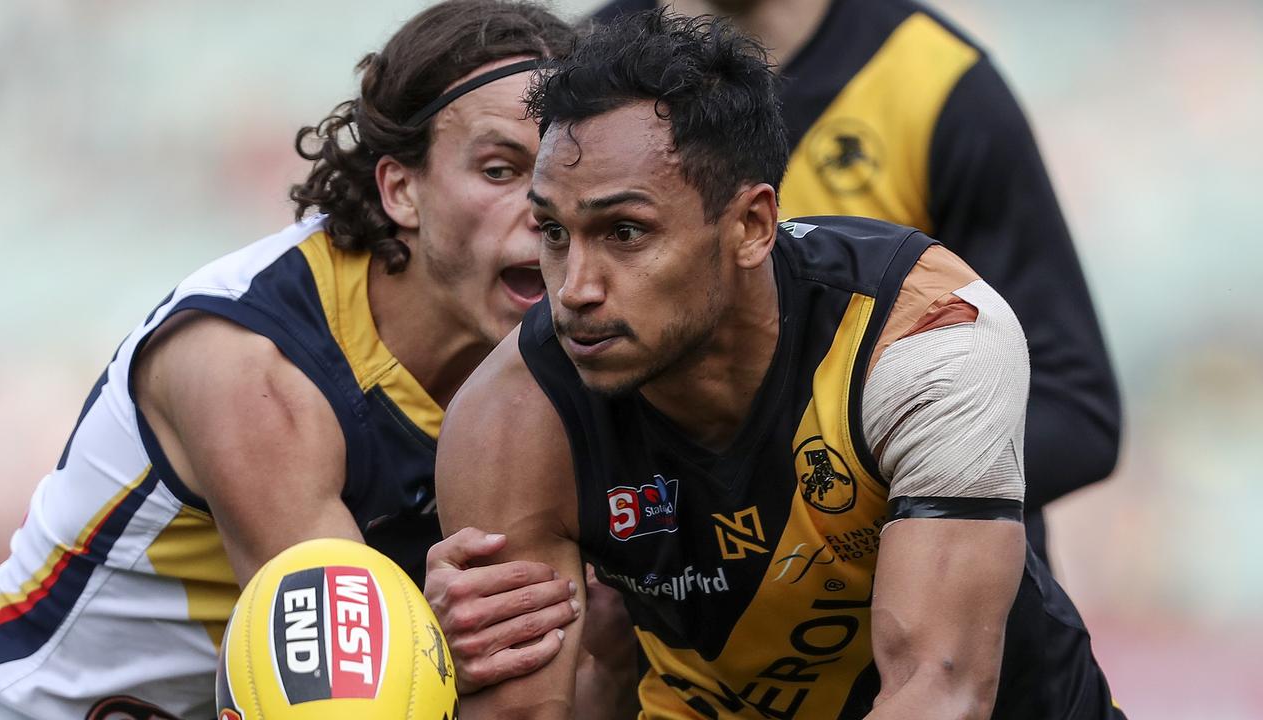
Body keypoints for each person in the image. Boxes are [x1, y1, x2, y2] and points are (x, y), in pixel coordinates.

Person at [436, 11, 1125, 718]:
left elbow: (937, 694)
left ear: (752, 227)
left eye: (625, 232)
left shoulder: (926, 331)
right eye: (554, 231)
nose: (574, 288)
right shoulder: (511, 412)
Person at [0, 3, 588, 717]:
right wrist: (433, 626)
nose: (542, 207)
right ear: (401, 189)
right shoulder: (255, 364)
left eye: (559, 172)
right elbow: (345, 688)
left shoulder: (574, 333)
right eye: (498, 168)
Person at [591, 0, 1122, 564]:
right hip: (675, 620)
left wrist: (870, 504)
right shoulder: (577, 77)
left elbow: (1074, 408)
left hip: (929, 609)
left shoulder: (938, 83)